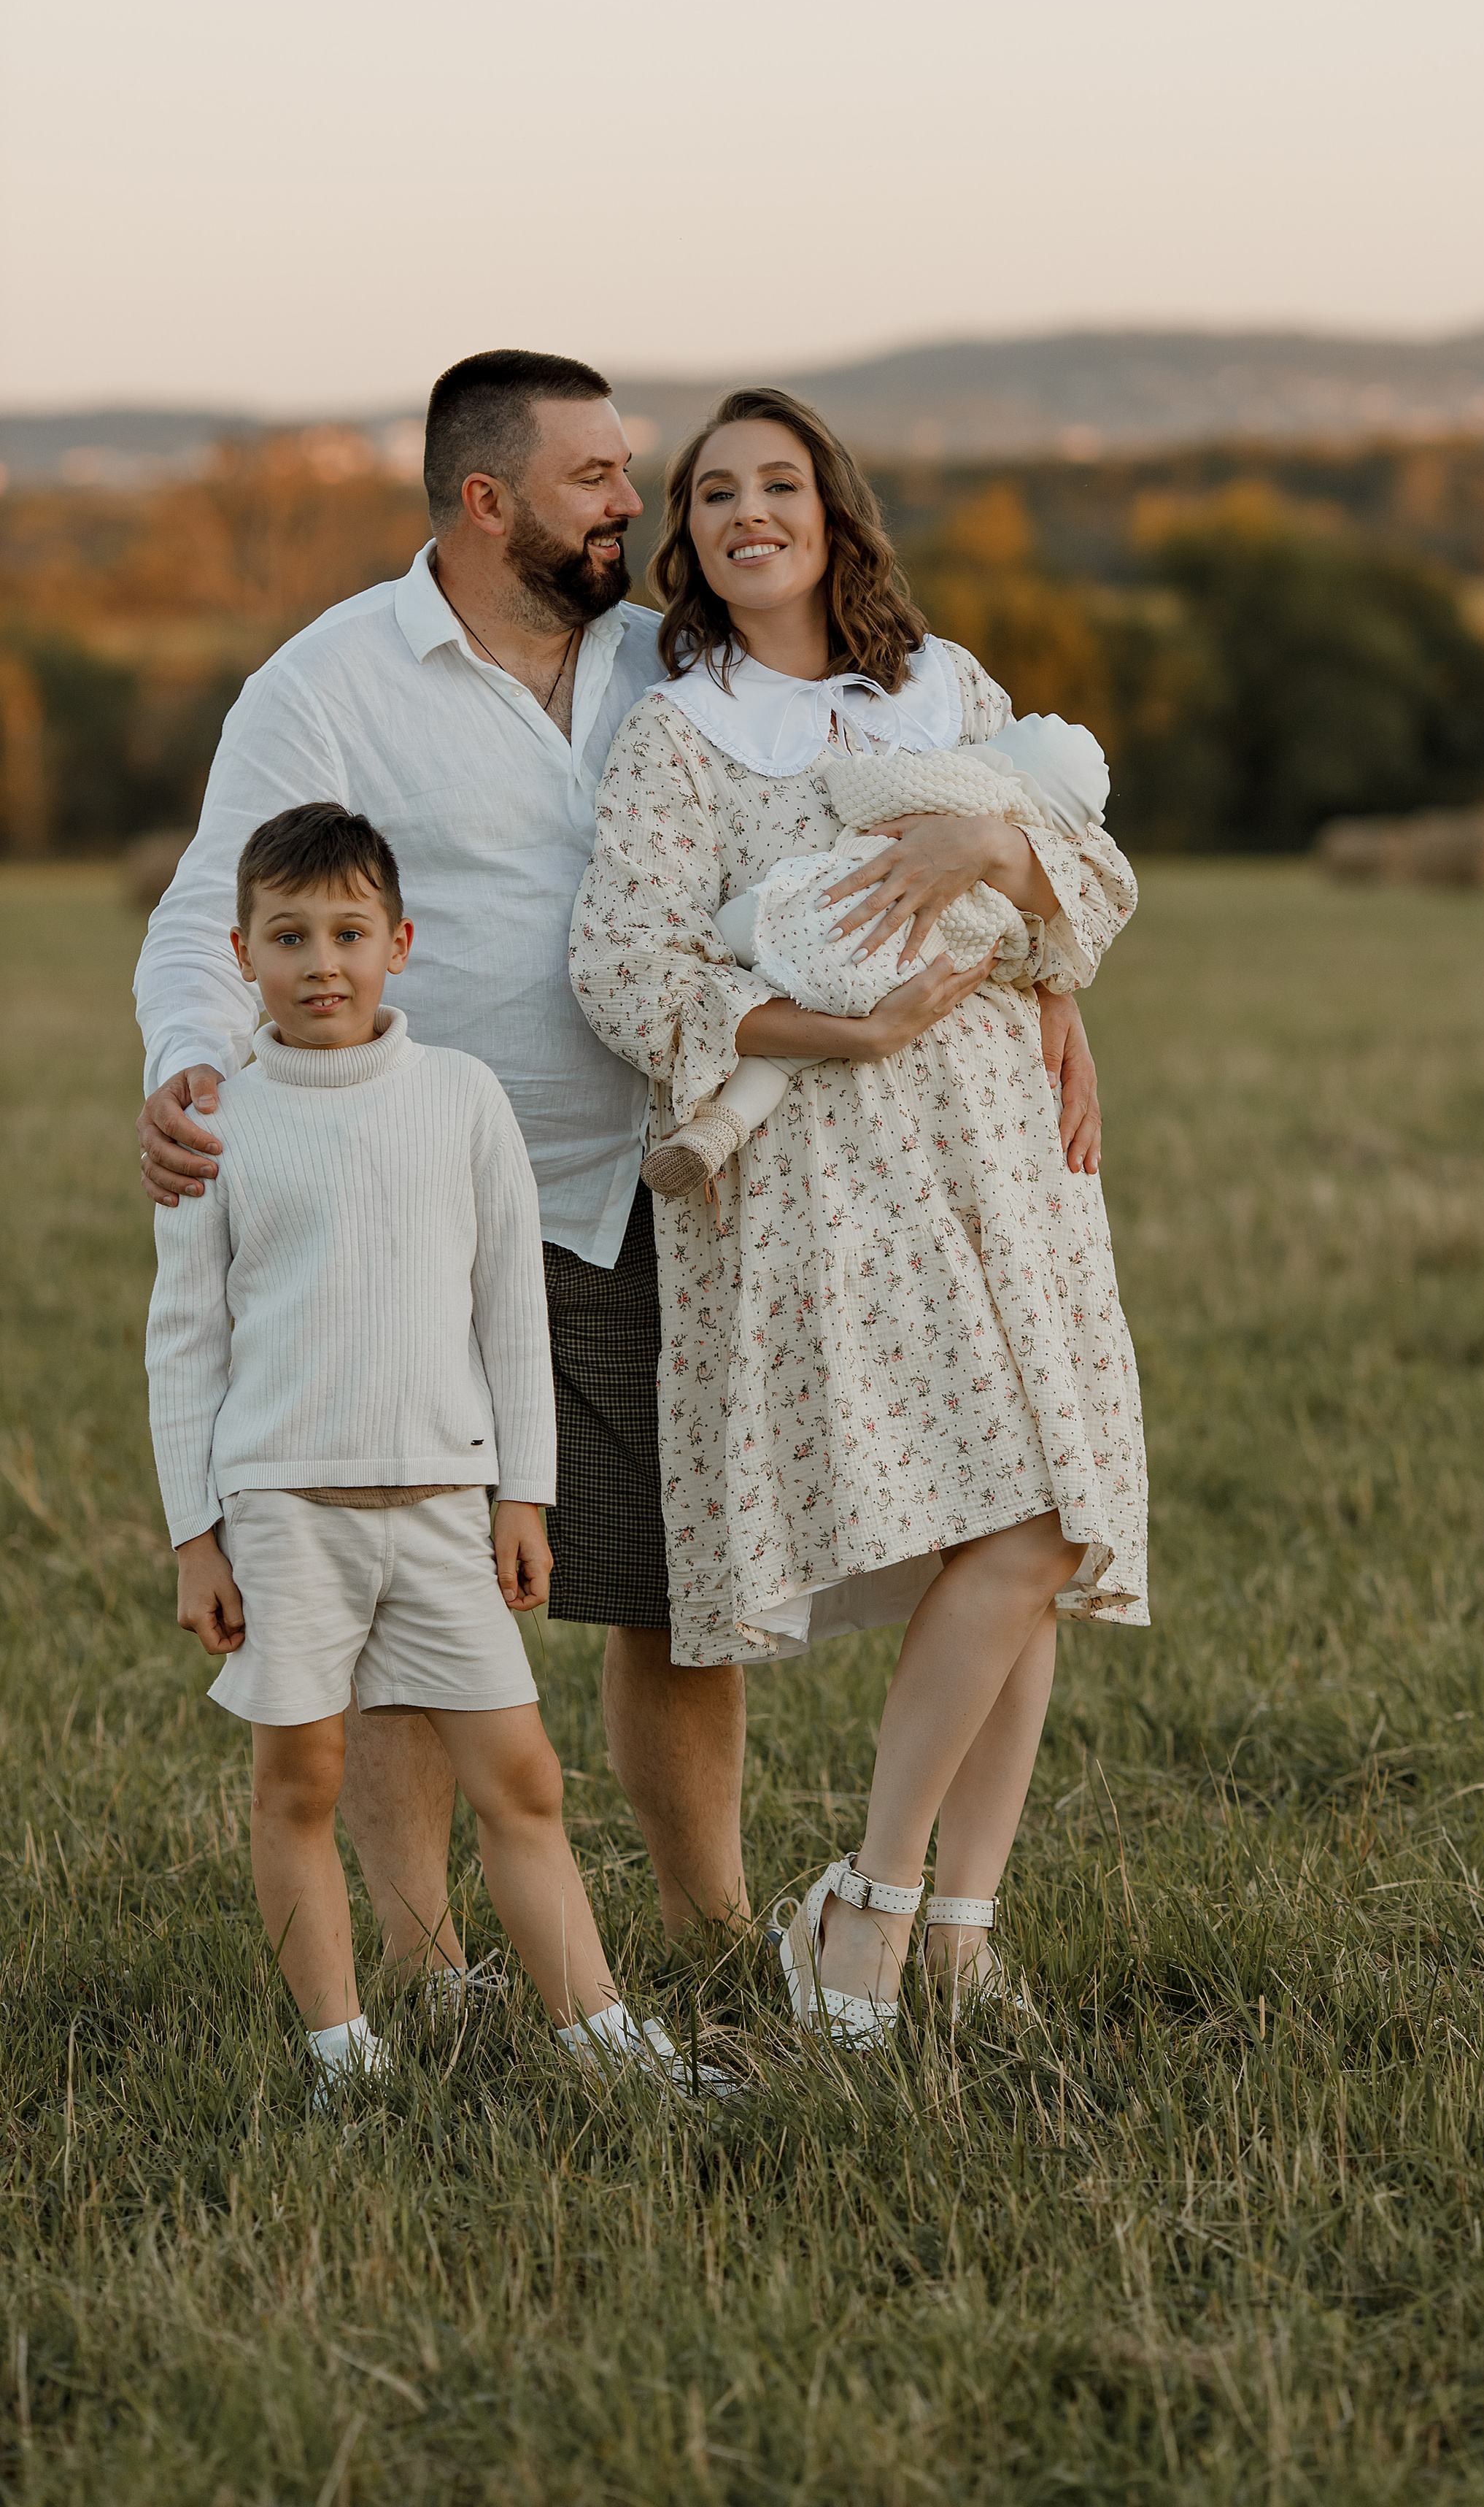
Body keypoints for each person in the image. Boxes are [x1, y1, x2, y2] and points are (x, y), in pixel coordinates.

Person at [132, 348, 1107, 1980]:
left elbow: (878, 824)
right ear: (485, 500)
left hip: (676, 1184)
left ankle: (711, 1933)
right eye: (596, 478)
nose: (630, 503)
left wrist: (1044, 976)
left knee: (670, 1587)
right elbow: (201, 911)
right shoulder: (329, 683)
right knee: (423, 1581)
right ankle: (433, 1969)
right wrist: (186, 1062)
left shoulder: (679, 659)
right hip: (435, 1190)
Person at [569, 388, 1148, 2046]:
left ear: (833, 512)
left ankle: (953, 1931)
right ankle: (870, 1906)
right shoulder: (678, 732)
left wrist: (996, 847)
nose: (749, 510)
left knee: (1027, 1528)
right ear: (686, 539)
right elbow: (623, 968)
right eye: (713, 492)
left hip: (997, 1146)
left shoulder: (941, 685)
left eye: (780, 482)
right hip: (822, 1174)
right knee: (1015, 1520)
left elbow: (1077, 888)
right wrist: (847, 1030)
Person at [149, 803, 721, 2098]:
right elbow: (182, 1341)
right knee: (300, 1780)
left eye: (348, 932)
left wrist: (525, 1493)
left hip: (449, 1512)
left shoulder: (460, 1099)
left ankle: (608, 2045)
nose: (321, 962)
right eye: (287, 936)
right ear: (243, 954)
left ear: (398, 942)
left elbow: (510, 1314)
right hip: (289, 1515)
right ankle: (342, 2058)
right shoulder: (221, 1123)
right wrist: (198, 1539)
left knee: (523, 1778)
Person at [640, 712, 1110, 1198]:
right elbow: (1022, 950)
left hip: (827, 925)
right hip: (888, 984)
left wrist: (844, 769)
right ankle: (714, 1134)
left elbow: (865, 792)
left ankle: (712, 1109)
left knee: (735, 929)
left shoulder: (966, 785)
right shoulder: (1019, 881)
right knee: (781, 1062)